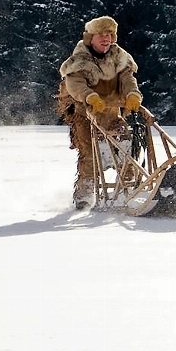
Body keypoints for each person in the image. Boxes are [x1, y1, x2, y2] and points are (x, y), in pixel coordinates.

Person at [56, 15, 143, 209]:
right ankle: (84, 196)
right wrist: (90, 97)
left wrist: (132, 95)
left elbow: (128, 79)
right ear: (91, 37)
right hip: (84, 113)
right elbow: (74, 83)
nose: (106, 39)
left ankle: (129, 188)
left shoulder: (119, 57)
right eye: (101, 35)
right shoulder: (79, 59)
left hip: (111, 112)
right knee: (89, 153)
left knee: (125, 145)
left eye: (110, 34)